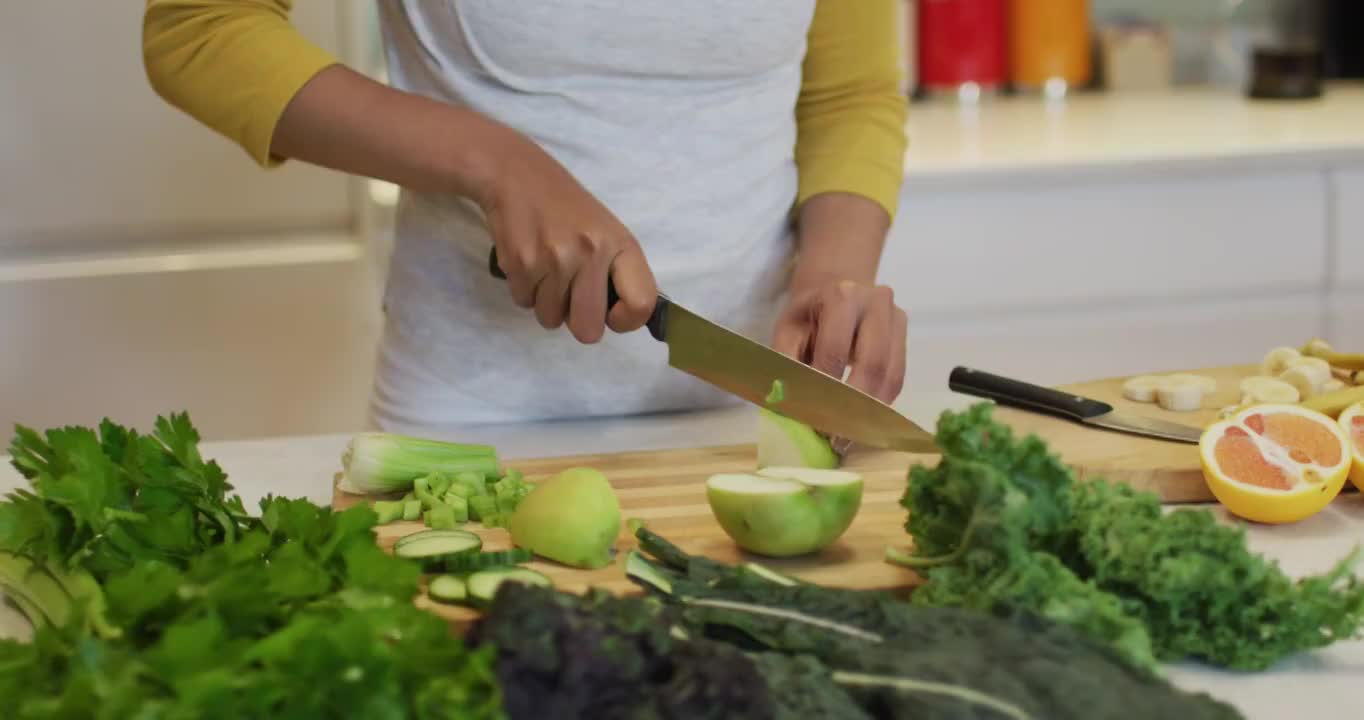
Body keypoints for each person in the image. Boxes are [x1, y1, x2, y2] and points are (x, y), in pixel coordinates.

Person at [141, 0, 910, 434]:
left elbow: (850, 93)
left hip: (755, 413)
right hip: (475, 420)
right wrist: (495, 163)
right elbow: (204, 28)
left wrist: (834, 275)